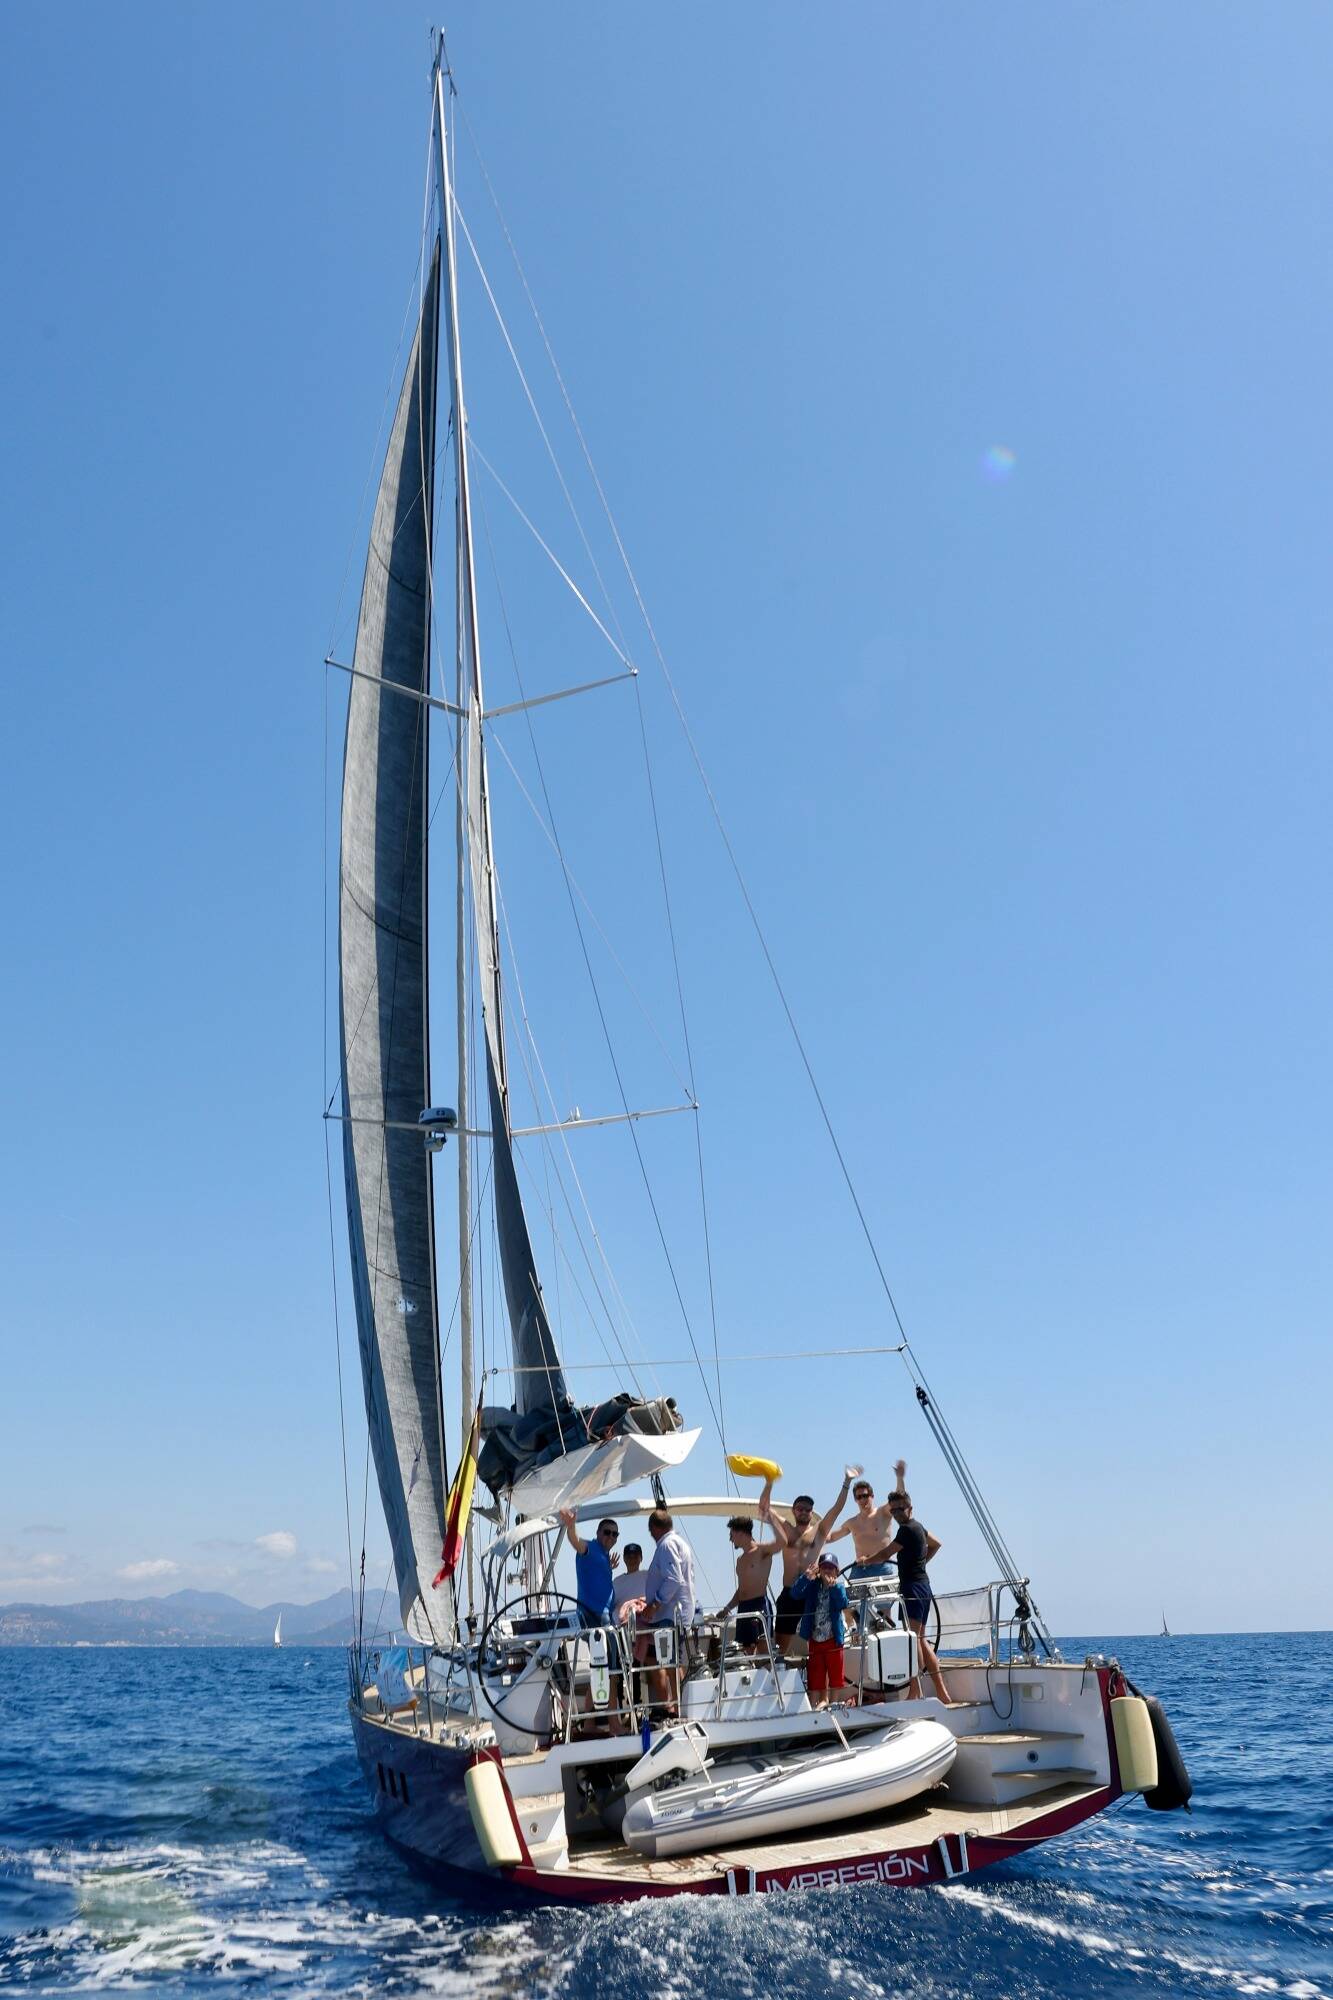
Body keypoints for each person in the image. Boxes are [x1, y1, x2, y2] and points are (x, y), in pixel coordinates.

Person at [870, 1479, 953, 1704]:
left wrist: (864, 1561)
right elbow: (936, 1544)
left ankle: (916, 1691)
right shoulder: (919, 1527)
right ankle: (944, 1695)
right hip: (923, 1585)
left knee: (913, 1639)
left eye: (900, 1508)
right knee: (922, 1639)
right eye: (893, 1509)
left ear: (910, 1508)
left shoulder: (906, 1530)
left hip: (912, 1588)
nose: (897, 1513)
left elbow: (885, 1554)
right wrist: (921, 1563)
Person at [760, 1468, 855, 1658]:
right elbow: (763, 1508)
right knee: (781, 1642)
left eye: (807, 1509)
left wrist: (847, 1481)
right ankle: (779, 1673)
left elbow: (837, 1509)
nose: (803, 1512)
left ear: (812, 1513)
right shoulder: (786, 1529)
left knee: (819, 1637)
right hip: (789, 1592)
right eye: (800, 1508)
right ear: (793, 1511)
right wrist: (769, 1482)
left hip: (813, 1591)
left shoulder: (820, 1531)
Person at [635, 1509, 698, 1710]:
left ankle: (679, 1707)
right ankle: (677, 1705)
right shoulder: (680, 1543)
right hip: (674, 1615)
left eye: (651, 1532)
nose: (652, 1536)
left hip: (669, 1616)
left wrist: (654, 1605)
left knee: (672, 1663)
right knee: (671, 1661)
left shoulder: (666, 1545)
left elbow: (673, 1578)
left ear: (654, 1528)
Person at [821, 1460, 910, 1577]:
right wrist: (812, 1535)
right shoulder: (852, 1522)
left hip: (882, 1566)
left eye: (865, 1496)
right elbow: (831, 1537)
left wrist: (899, 1477)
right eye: (859, 1497)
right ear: (855, 1500)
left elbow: (899, 1499)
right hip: (859, 1568)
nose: (863, 1500)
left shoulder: (883, 1512)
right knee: (847, 1593)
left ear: (872, 1496)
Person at [716, 1510, 786, 1654]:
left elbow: (782, 1542)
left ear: (740, 1533)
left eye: (731, 1535)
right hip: (743, 1607)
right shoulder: (740, 1560)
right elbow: (742, 1590)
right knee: (746, 1652)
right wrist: (727, 1608)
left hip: (759, 1605)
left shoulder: (762, 1551)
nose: (730, 1539)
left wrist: (770, 1519)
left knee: (763, 1650)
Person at [787, 1553, 851, 1708]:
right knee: (816, 1672)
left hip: (833, 1637)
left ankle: (833, 1701)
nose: (827, 1571)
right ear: (819, 1570)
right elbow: (794, 1594)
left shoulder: (839, 1587)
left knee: (835, 1672)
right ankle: (815, 1702)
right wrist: (806, 1577)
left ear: (837, 1571)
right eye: (824, 1567)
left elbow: (843, 1603)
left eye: (831, 1568)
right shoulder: (812, 1586)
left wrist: (833, 1587)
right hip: (815, 1637)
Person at [558, 1508, 618, 1627]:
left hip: (604, 1614)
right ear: (598, 1532)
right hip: (595, 1615)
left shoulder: (603, 1555)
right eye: (607, 1532)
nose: (611, 1536)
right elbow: (576, 1542)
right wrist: (571, 1526)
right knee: (611, 1646)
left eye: (615, 1534)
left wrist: (608, 1567)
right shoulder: (591, 1548)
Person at [612, 1542, 645, 1612]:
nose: (632, 1560)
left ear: (641, 1558)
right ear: (624, 1559)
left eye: (635, 1557)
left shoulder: (648, 1575)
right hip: (619, 1621)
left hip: (642, 1621)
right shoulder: (617, 1581)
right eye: (629, 1557)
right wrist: (607, 1570)